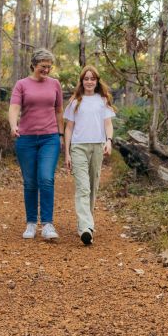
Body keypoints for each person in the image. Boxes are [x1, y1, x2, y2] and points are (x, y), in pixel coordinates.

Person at [8, 48, 63, 241]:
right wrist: (13, 125)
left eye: (49, 67)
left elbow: (58, 111)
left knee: (46, 178)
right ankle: (31, 222)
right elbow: (14, 107)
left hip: (50, 138)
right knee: (30, 182)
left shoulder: (55, 84)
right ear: (33, 65)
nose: (46, 70)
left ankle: (47, 224)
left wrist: (61, 134)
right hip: (27, 139)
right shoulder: (22, 84)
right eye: (43, 66)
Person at [62, 65, 116, 246]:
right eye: (86, 78)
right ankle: (86, 227)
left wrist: (108, 141)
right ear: (82, 81)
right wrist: (67, 153)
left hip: (97, 147)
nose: (89, 81)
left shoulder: (103, 100)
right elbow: (68, 128)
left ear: (97, 81)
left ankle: (86, 226)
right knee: (83, 187)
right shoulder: (75, 102)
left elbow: (108, 124)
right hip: (78, 147)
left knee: (93, 186)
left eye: (93, 78)